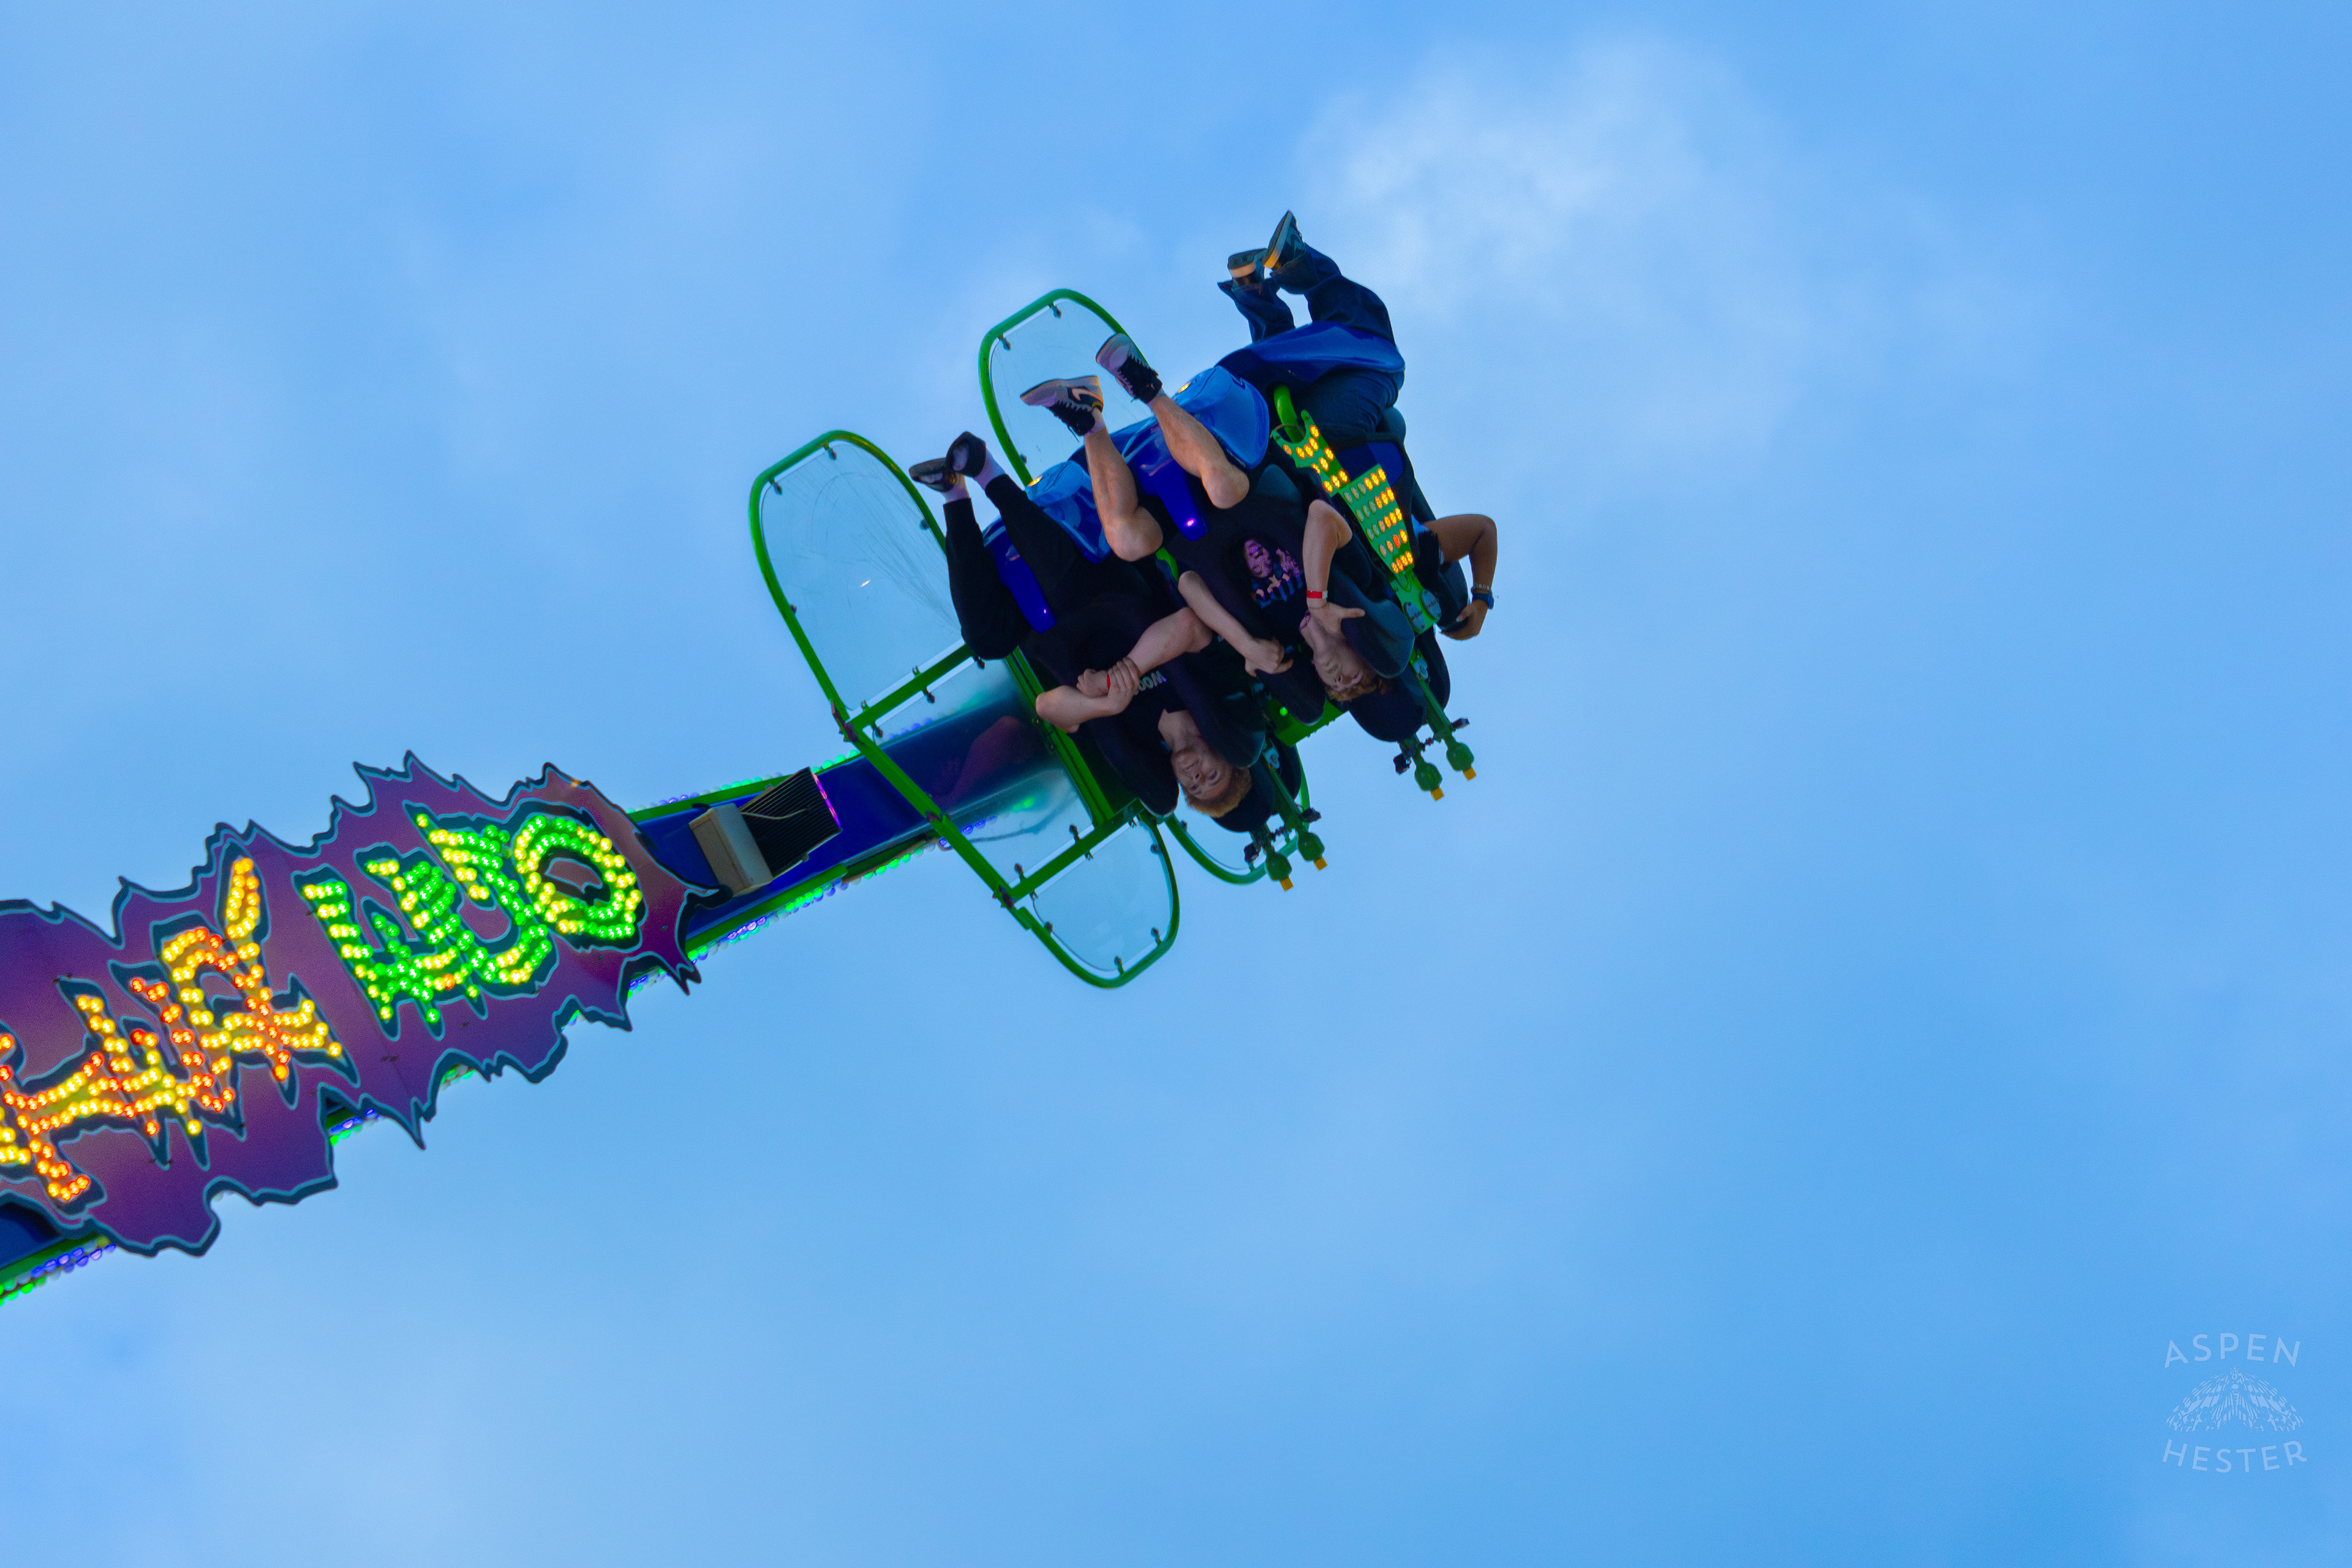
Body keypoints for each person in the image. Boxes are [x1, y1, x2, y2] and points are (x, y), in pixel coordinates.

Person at [911, 431, 1267, 824]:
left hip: (1060, 631)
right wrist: (1124, 673)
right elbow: (1187, 626)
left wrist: (1106, 705)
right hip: (1107, 589)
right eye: (1212, 776)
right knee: (1066, 588)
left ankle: (953, 496)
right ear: (1225, 754)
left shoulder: (1141, 741)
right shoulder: (1210, 688)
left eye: (1194, 788)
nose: (1196, 777)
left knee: (987, 639)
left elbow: (1048, 707)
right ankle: (985, 470)